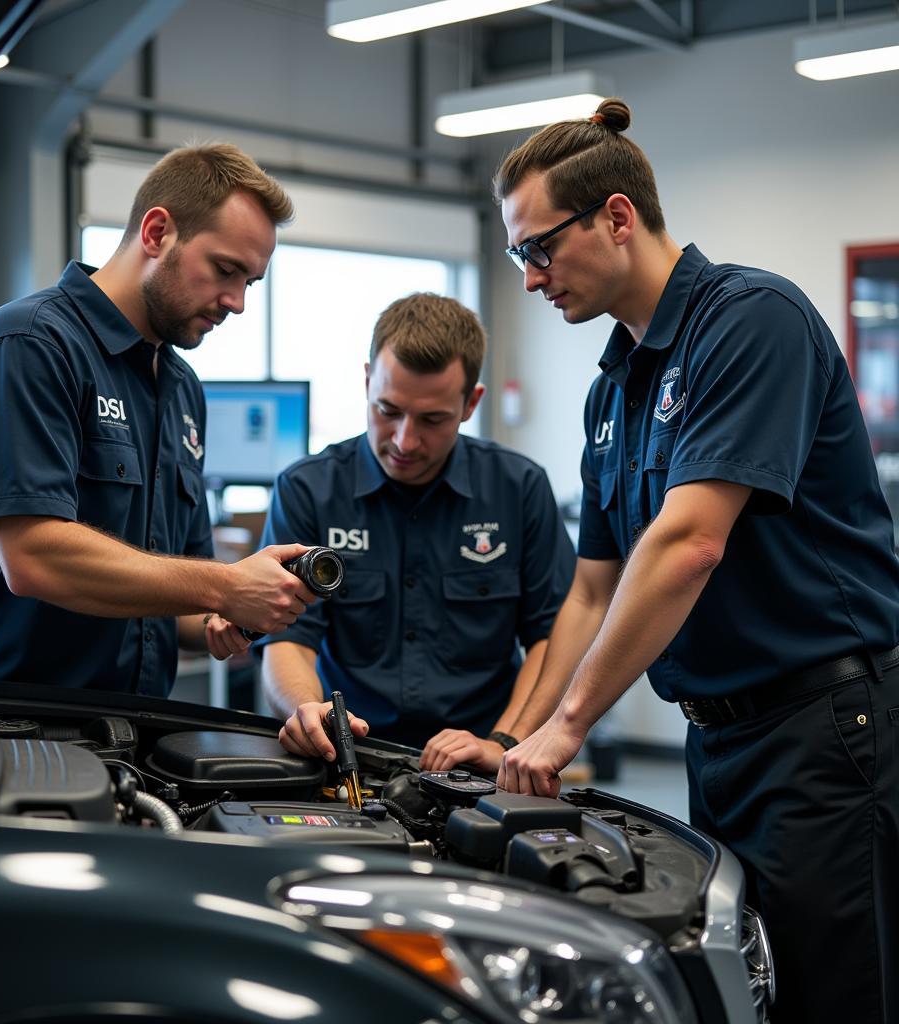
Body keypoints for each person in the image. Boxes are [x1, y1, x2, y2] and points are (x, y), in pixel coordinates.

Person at [492, 98, 899, 1023]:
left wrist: (568, 731)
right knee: (747, 982)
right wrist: (526, 734)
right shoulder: (614, 387)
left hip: (824, 730)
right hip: (717, 740)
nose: (530, 277)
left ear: (618, 218)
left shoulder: (750, 322)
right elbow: (593, 586)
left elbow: (688, 544)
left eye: (539, 249)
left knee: (836, 995)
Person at [0, 143, 317, 695]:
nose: (236, 303)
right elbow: (31, 556)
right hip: (4, 730)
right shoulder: (29, 346)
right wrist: (224, 584)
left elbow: (173, 594)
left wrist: (221, 617)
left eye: (249, 283)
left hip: (133, 735)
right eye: (225, 270)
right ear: (156, 233)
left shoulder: (180, 389)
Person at [243, 292, 575, 773]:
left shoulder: (519, 488)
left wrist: (505, 743)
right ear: (366, 381)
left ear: (470, 403)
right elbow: (287, 637)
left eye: (432, 420)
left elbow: (553, 637)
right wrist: (307, 711)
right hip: (347, 755)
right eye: (388, 410)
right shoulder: (308, 489)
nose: (404, 440)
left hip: (483, 762)